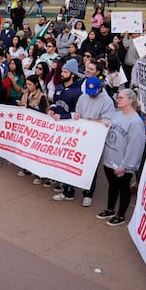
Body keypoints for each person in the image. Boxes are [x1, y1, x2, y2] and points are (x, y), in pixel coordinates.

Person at [53, 76, 115, 205]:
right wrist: (77, 115)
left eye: (94, 92)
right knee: (71, 163)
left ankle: (88, 194)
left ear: (100, 88)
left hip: (94, 139)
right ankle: (68, 191)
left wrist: (91, 121)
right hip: (80, 136)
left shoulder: (107, 101)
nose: (91, 95)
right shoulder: (83, 97)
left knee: (90, 167)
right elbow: (78, 112)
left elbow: (107, 121)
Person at [96, 89, 145, 226]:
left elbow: (135, 146)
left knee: (123, 188)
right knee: (112, 186)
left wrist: (126, 165)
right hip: (110, 159)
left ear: (130, 100)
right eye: (117, 97)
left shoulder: (136, 122)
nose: (117, 99)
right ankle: (110, 209)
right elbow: (106, 124)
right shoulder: (117, 115)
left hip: (122, 163)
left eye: (121, 98)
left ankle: (121, 215)